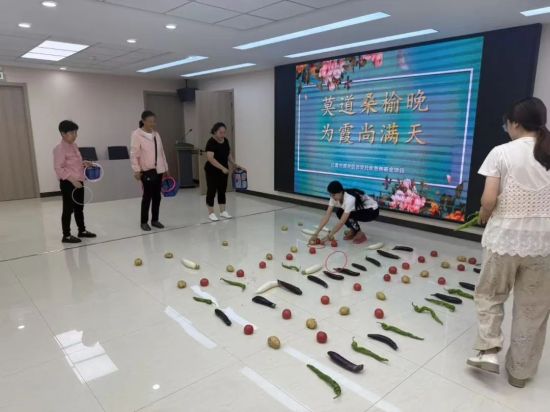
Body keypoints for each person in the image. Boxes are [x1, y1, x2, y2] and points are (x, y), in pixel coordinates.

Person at [467, 97, 550, 388]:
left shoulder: (501, 152)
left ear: (515, 123)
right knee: (533, 309)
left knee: (490, 294)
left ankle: (489, 350)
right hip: (544, 245)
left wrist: (483, 213)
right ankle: (519, 373)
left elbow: (489, 199)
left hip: (504, 239)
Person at [53, 120, 97, 243]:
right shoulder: (59, 149)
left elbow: (74, 163)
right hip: (68, 183)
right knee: (68, 209)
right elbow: (58, 168)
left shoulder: (74, 146)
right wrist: (72, 180)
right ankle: (66, 235)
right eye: (72, 133)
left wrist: (84, 163)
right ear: (63, 133)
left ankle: (82, 230)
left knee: (79, 207)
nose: (75, 135)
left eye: (76, 132)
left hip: (79, 181)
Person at [130, 110, 169, 231]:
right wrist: (136, 170)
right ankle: (144, 222)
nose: (153, 124)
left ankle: (155, 220)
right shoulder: (137, 134)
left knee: (157, 196)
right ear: (143, 121)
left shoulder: (156, 134)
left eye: (154, 121)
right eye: (150, 121)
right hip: (146, 170)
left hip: (158, 169)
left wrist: (165, 168)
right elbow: (134, 154)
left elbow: (161, 152)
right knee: (147, 196)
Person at [309, 180, 379, 245]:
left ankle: (359, 233)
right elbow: (327, 215)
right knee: (339, 212)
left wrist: (329, 236)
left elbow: (342, 221)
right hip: (361, 210)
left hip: (372, 211)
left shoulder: (349, 199)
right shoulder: (334, 197)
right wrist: (316, 233)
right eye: (330, 195)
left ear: (340, 192)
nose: (332, 197)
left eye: (333, 195)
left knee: (347, 215)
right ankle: (354, 230)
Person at [204, 122, 245, 221]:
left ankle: (223, 211)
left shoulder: (225, 141)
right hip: (212, 170)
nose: (223, 135)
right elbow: (210, 158)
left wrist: (234, 164)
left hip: (224, 171)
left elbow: (228, 154)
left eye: (224, 132)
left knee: (222, 190)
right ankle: (211, 213)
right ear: (215, 132)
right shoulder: (211, 142)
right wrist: (222, 168)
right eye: (220, 133)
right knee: (211, 190)